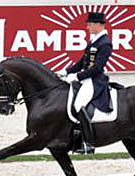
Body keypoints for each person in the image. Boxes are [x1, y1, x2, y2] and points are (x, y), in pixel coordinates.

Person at [56, 12, 113, 154]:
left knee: (78, 104)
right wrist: (67, 71)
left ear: (98, 25)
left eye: (90, 24)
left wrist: (77, 77)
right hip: (86, 78)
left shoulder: (105, 43)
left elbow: (97, 68)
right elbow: (83, 62)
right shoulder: (94, 40)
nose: (87, 27)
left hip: (95, 81)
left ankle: (89, 143)